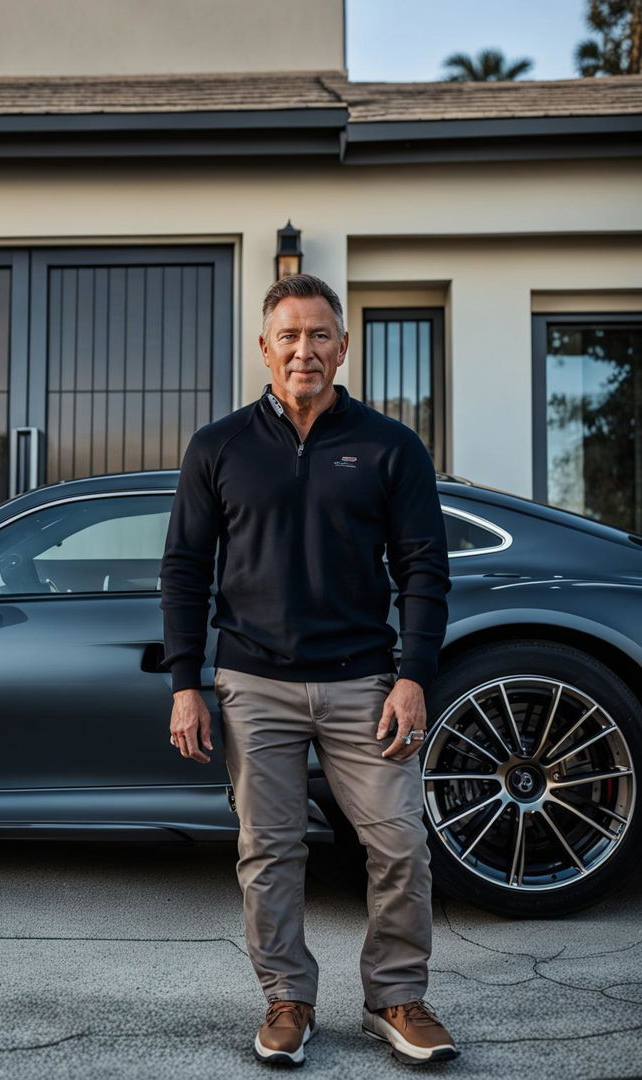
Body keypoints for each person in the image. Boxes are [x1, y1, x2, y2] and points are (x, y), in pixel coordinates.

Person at [159, 273, 458, 1067]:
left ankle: (397, 999)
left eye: (320, 334)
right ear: (264, 348)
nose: (304, 350)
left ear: (343, 346)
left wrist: (413, 674)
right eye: (289, 335)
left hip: (365, 681)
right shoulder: (217, 446)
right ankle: (287, 999)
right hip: (253, 684)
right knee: (269, 850)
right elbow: (185, 569)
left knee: (398, 842)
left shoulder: (392, 446)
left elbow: (424, 568)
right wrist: (186, 681)